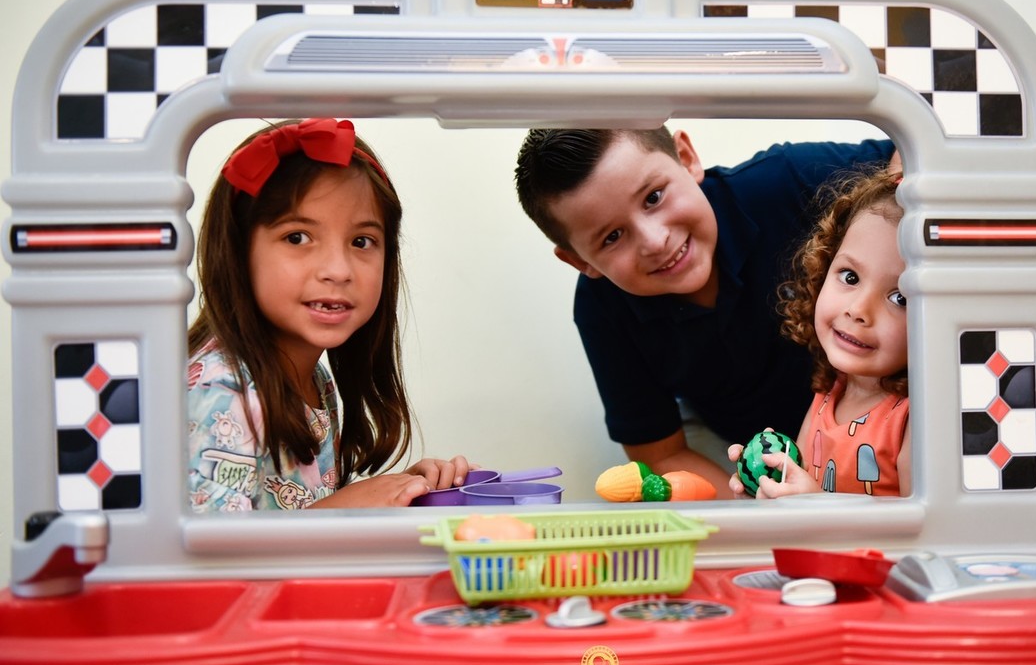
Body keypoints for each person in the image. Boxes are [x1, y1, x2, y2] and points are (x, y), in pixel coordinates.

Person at [514, 127, 896, 496]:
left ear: (686, 157)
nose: (655, 241)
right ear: (580, 261)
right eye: (612, 237)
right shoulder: (602, 310)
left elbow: (913, 153)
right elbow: (662, 453)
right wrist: (764, 513)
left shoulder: (784, 180)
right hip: (740, 457)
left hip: (883, 411)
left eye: (653, 197)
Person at [187, 118, 471, 511]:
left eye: (362, 241)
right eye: (297, 237)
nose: (338, 270)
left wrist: (401, 489)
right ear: (238, 251)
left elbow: (300, 506)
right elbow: (209, 545)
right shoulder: (220, 388)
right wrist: (345, 508)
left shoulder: (316, 381)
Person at [728, 167, 910, 498]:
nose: (858, 309)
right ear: (824, 269)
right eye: (850, 277)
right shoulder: (828, 394)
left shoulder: (913, 419)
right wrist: (770, 488)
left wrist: (811, 503)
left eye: (900, 298)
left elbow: (927, 524)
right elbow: (801, 494)